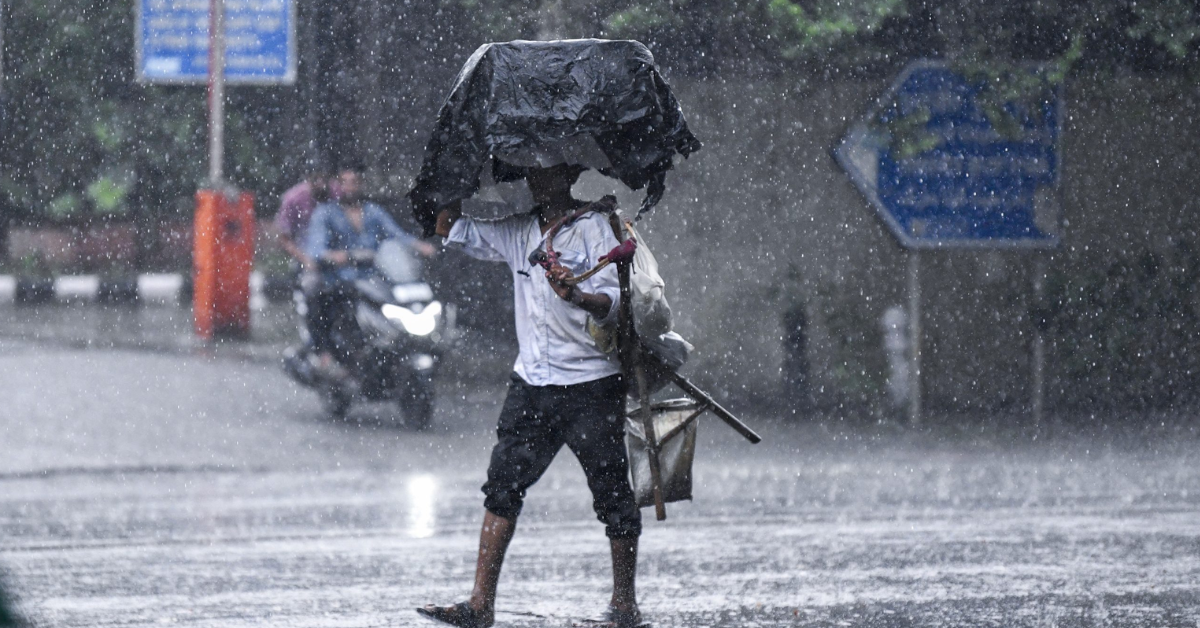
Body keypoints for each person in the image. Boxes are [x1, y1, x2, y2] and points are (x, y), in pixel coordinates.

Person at [418, 164, 642, 628]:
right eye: (533, 172)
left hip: (591, 385)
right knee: (502, 487)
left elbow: (613, 302)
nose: (540, 180)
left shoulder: (594, 229)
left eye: (550, 171)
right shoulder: (519, 232)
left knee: (613, 493)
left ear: (569, 174)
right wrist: (450, 179)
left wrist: (576, 296)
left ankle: (624, 604)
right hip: (533, 385)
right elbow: (450, 227)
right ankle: (480, 604)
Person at [305, 169, 436, 371]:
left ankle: (388, 347)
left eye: (354, 182)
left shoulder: (373, 212)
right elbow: (316, 250)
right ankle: (325, 352)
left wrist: (420, 247)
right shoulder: (325, 214)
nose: (350, 187)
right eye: (345, 182)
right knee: (322, 301)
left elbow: (395, 235)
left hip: (373, 278)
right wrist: (336, 256)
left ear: (361, 185)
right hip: (340, 278)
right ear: (338, 186)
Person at [274, 163, 335, 270]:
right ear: (308, 179)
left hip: (335, 254)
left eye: (324, 178)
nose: (321, 183)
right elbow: (283, 238)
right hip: (304, 254)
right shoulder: (293, 199)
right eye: (316, 179)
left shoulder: (337, 192)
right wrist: (305, 259)